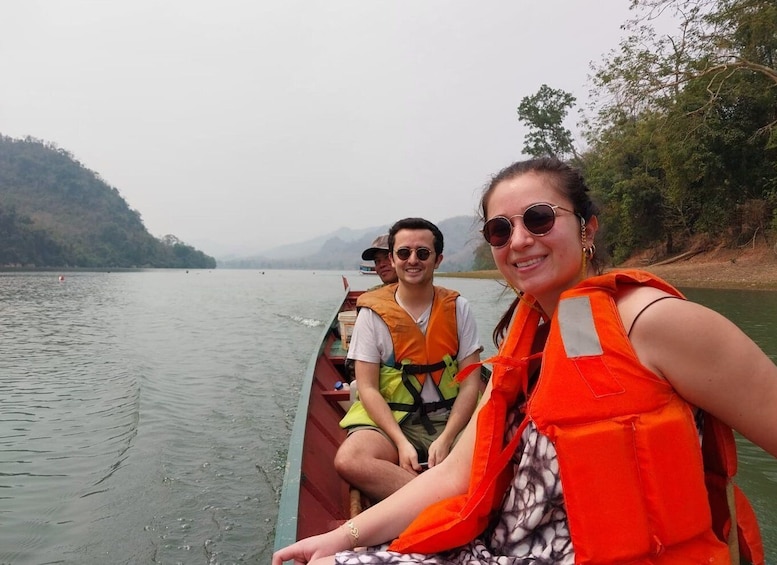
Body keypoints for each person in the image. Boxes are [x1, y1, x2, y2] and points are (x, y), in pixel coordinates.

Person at [273, 158, 777, 565]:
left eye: (539, 218)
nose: (518, 240)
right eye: (499, 229)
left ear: (587, 228)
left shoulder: (657, 324)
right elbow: (455, 478)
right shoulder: (530, 340)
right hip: (503, 548)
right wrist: (344, 537)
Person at [335, 217, 483, 502]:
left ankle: (420, 499)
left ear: (437, 259)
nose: (412, 260)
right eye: (404, 253)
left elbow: (470, 384)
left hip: (450, 419)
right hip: (395, 422)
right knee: (350, 460)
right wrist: (401, 443)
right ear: (393, 258)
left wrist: (447, 437)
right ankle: (441, 501)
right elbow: (367, 388)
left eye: (422, 253)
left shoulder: (458, 308)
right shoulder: (371, 314)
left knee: (498, 452)